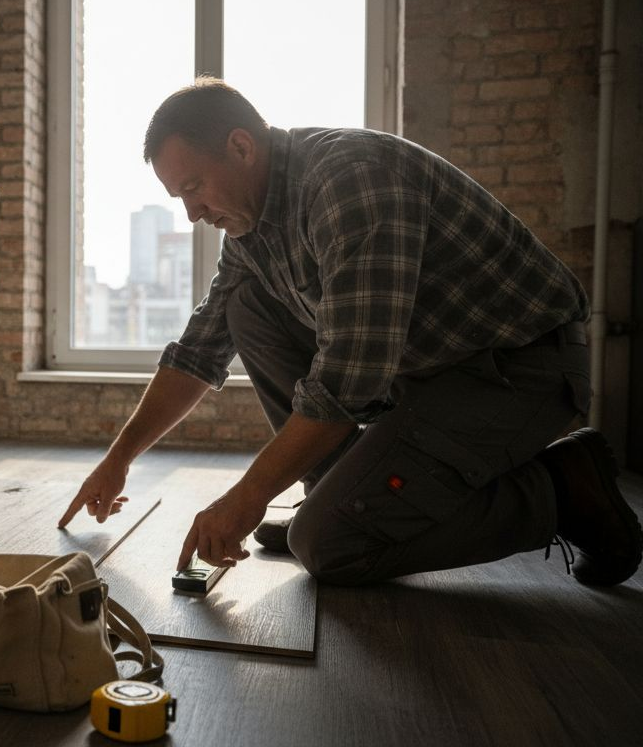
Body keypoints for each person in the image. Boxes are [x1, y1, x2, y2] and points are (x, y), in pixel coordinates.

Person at [57, 77, 642, 587]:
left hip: (517, 371)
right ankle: (337, 494)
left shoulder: (350, 183)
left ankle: (564, 491)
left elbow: (344, 385)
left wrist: (245, 499)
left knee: (329, 547)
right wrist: (119, 459)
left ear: (240, 147)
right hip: (425, 378)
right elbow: (199, 351)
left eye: (192, 189)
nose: (191, 215)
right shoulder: (250, 226)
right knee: (246, 307)